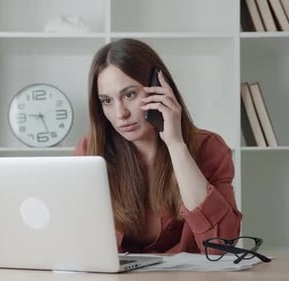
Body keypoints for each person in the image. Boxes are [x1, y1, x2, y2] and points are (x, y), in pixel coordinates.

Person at [73, 38, 242, 254]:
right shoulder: (90, 150)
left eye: (129, 94)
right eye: (107, 101)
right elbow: (77, 239)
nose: (120, 114)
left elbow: (221, 245)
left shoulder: (209, 148)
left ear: (159, 89)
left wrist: (175, 144)